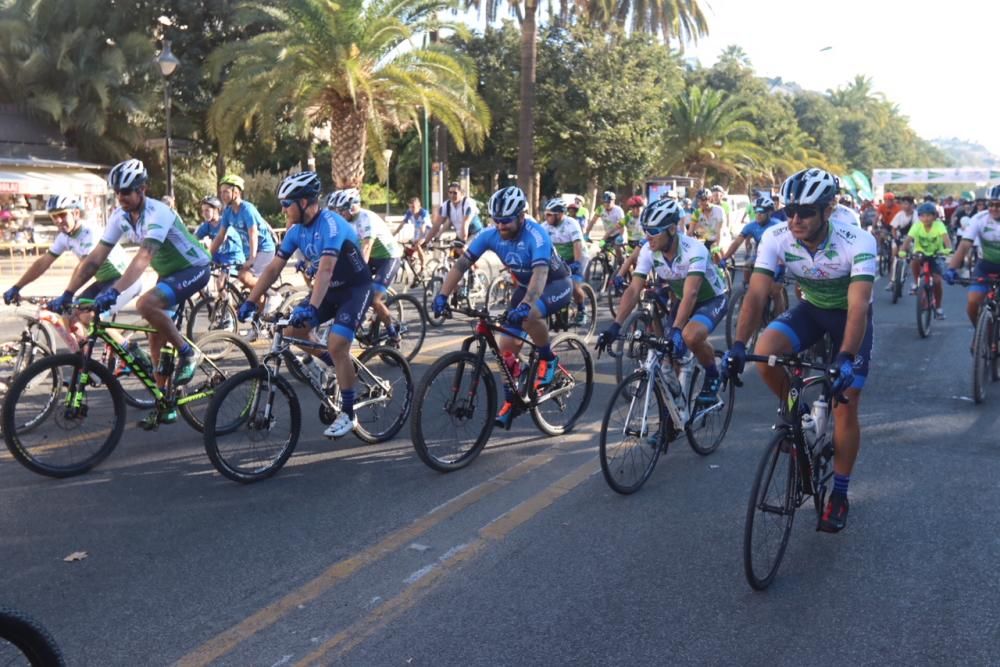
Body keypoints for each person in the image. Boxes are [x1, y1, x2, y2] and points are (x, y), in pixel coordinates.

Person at [723, 168, 877, 533]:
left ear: (828, 210)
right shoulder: (777, 236)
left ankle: (839, 492)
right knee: (766, 352)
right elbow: (757, 294)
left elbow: (857, 307)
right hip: (810, 310)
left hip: (847, 317)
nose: (795, 219)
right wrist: (739, 345)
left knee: (846, 400)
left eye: (805, 211)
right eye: (789, 210)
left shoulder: (857, 240)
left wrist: (844, 358)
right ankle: (801, 416)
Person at [48, 159, 211, 427]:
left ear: (142, 189)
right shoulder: (119, 216)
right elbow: (94, 259)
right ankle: (165, 403)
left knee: (145, 304)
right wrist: (68, 293)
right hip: (169, 274)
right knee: (155, 340)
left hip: (194, 267)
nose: (121, 197)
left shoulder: (158, 212)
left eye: (126, 191)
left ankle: (188, 353)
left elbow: (144, 256)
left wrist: (115, 292)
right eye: (117, 192)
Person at [238, 172, 372, 438]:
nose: (283, 208)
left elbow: (325, 270)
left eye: (287, 203)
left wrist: (311, 307)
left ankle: (348, 413)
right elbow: (274, 268)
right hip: (330, 291)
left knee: (337, 344)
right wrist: (251, 300)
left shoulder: (331, 225)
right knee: (291, 332)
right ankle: (338, 365)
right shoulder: (295, 232)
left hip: (354, 290)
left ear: (305, 202)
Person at [432, 186, 572, 428]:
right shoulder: (489, 235)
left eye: (506, 221)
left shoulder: (537, 235)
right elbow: (461, 265)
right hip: (526, 286)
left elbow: (539, 276)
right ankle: (513, 398)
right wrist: (442, 295)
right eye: (496, 220)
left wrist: (527, 305)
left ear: (521, 216)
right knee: (505, 350)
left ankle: (548, 359)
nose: (500, 226)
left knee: (530, 316)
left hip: (554, 283)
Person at [596, 198, 729, 406]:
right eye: (646, 230)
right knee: (667, 361)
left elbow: (692, 293)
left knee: (689, 336)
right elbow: (634, 289)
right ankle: (672, 421)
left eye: (654, 231)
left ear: (672, 230)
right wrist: (615, 326)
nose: (648, 236)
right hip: (683, 300)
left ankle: (713, 374)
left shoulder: (694, 250)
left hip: (711, 299)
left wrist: (676, 329)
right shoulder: (649, 251)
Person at [3, 194, 141, 341]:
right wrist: (17, 286)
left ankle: (130, 352)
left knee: (89, 316)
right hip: (103, 282)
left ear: (75, 213)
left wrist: (67, 294)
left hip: (124, 281)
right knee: (68, 314)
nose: (58, 220)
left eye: (62, 215)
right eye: (54, 217)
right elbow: (43, 263)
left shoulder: (90, 232)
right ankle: (83, 358)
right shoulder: (64, 236)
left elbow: (85, 266)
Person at [329, 188, 404, 341]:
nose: (340, 214)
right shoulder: (347, 222)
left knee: (374, 299)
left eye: (342, 210)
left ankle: (392, 330)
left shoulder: (366, 218)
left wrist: (359, 273)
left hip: (389, 258)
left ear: (351, 207)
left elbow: (366, 247)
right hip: (373, 258)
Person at [208, 174, 277, 309]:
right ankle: (262, 322)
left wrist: (252, 258)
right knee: (251, 291)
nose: (223, 195)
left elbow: (253, 234)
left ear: (237, 192)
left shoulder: (247, 209)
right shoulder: (228, 212)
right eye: (221, 192)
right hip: (249, 250)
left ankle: (273, 294)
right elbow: (220, 236)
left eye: (226, 191)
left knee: (244, 277)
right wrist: (208, 254)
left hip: (264, 249)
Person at [945, 185, 1000, 332]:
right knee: (972, 303)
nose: (994, 208)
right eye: (991, 204)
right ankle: (980, 335)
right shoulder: (979, 218)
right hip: (985, 266)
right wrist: (952, 268)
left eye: (999, 205)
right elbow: (964, 245)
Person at [719, 195, 786, 309]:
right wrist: (725, 258)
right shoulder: (751, 226)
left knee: (775, 290)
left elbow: (785, 247)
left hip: (778, 257)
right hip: (761, 257)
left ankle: (780, 316)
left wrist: (781, 264)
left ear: (769, 213)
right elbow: (736, 243)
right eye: (756, 211)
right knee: (747, 265)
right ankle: (746, 290)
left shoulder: (778, 225)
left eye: (761, 211)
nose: (758, 214)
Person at [194, 195, 246, 324]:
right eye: (203, 210)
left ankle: (229, 319)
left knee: (220, 284)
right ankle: (214, 304)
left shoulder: (225, 222)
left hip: (233, 257)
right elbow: (193, 239)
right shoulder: (207, 225)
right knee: (198, 276)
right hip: (218, 257)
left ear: (217, 210)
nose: (204, 213)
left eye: (207, 210)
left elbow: (221, 239)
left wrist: (207, 247)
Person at [541, 198, 589, 325]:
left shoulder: (571, 224)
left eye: (550, 214)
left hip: (576, 257)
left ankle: (581, 309)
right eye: (546, 214)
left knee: (573, 285)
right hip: (559, 260)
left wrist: (577, 263)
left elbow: (577, 245)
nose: (546, 217)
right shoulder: (544, 226)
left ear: (560, 214)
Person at [898, 202, 950, 317]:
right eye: (922, 216)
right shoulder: (917, 225)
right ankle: (917, 283)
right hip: (920, 252)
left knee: (937, 281)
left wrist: (948, 249)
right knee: (914, 260)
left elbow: (946, 239)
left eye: (929, 215)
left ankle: (938, 307)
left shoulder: (939, 225)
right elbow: (908, 239)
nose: (925, 218)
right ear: (919, 217)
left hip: (936, 254)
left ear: (934, 216)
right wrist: (902, 250)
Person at [394, 196, 429, 284]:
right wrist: (393, 235)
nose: (412, 209)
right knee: (408, 252)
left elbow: (423, 228)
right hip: (417, 234)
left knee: (418, 245)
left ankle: (423, 266)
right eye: (410, 207)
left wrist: (420, 239)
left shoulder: (424, 213)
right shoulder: (410, 213)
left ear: (419, 206)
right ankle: (415, 271)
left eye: (413, 207)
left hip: (427, 233)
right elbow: (402, 224)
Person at [584, 191, 626, 260]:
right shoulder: (600, 209)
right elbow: (592, 221)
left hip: (618, 233)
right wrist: (587, 233)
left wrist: (621, 236)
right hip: (608, 234)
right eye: (605, 202)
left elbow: (622, 225)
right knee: (602, 248)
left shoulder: (618, 210)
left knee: (617, 247)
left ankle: (621, 264)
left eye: (608, 202)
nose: (606, 204)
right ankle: (607, 266)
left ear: (613, 201)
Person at [686, 188, 726, 258]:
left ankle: (724, 266)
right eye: (698, 200)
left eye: (702, 200)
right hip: (708, 238)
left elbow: (720, 231)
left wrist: (717, 245)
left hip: (722, 237)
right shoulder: (697, 213)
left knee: (714, 249)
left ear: (710, 199)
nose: (700, 203)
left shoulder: (719, 210)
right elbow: (690, 232)